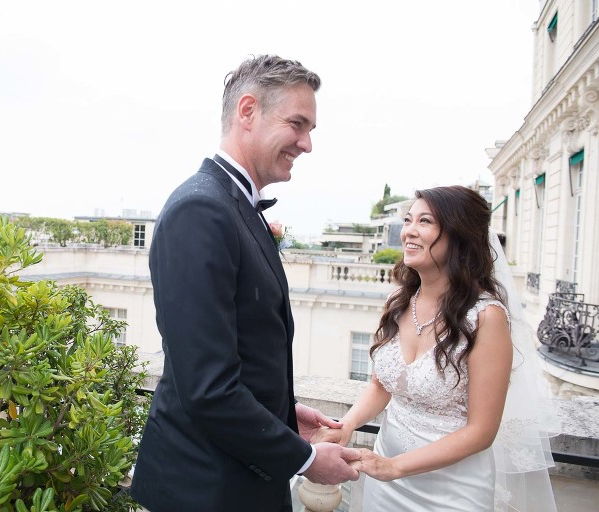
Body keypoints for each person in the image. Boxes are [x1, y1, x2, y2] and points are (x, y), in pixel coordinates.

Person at [130, 54, 360, 512]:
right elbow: (208, 387)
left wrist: (280, 414)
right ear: (248, 111)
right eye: (298, 124)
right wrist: (307, 458)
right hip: (206, 489)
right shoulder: (201, 210)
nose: (307, 144)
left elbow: (241, 348)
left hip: (235, 477)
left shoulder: (230, 205)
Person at [316, 185, 558, 511]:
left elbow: (482, 431)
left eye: (425, 221)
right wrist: (346, 425)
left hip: (452, 490)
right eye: (408, 220)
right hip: (384, 480)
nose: (408, 232)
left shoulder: (486, 318)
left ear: (460, 235)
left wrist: (395, 467)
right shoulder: (399, 302)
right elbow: (380, 385)